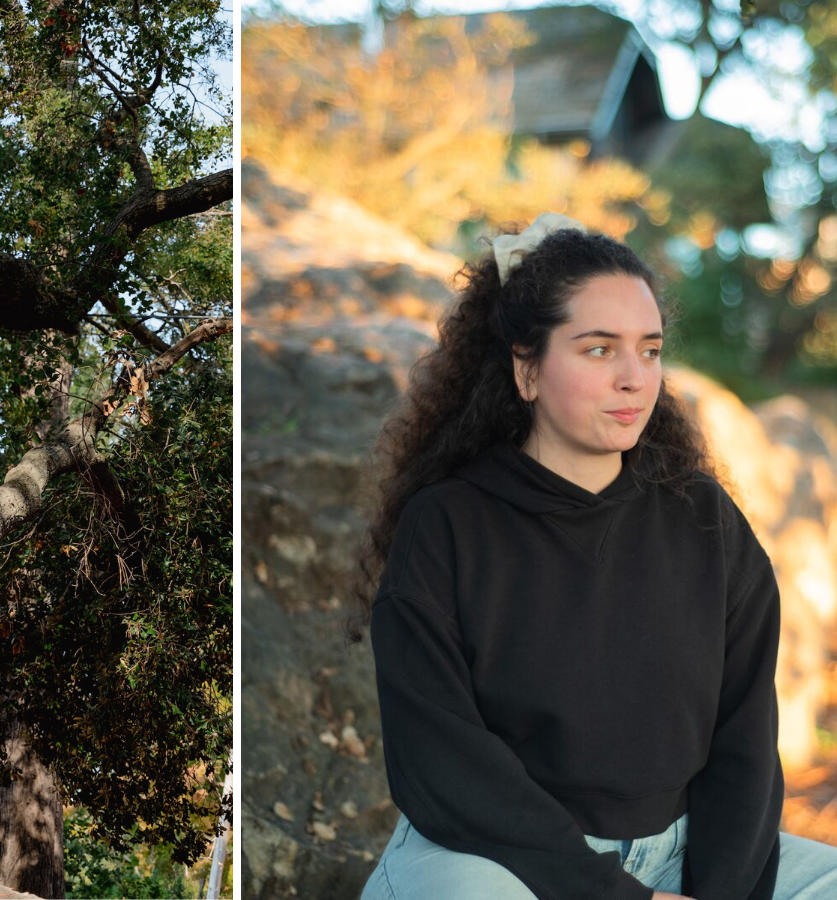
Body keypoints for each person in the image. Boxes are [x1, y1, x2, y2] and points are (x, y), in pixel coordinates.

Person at [353, 214, 837, 899]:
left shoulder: (704, 519)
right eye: (599, 350)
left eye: (650, 349)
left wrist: (720, 890)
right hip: (501, 862)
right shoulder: (449, 526)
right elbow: (442, 758)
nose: (635, 379)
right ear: (526, 368)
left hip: (683, 852)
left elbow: (746, 742)